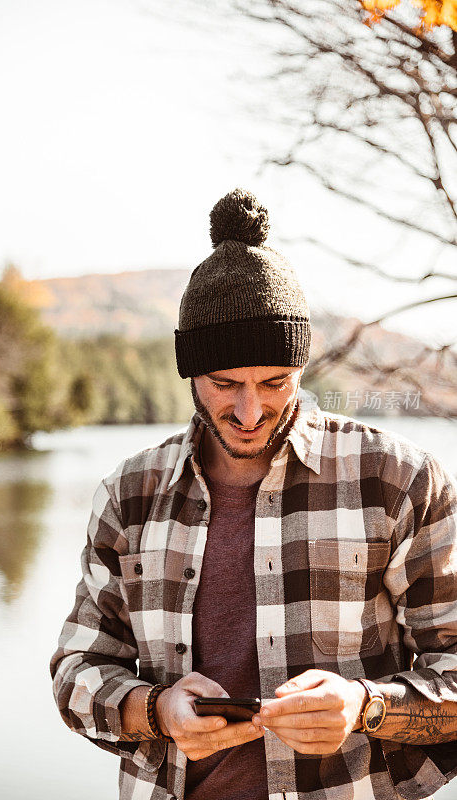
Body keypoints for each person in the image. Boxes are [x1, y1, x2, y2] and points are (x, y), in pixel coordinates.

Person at [50, 189, 457, 800]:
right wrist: (157, 710)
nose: (249, 410)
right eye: (224, 384)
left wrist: (364, 704)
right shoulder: (129, 496)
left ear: (301, 366)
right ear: (190, 372)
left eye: (274, 382)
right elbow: (76, 674)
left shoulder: (399, 480)